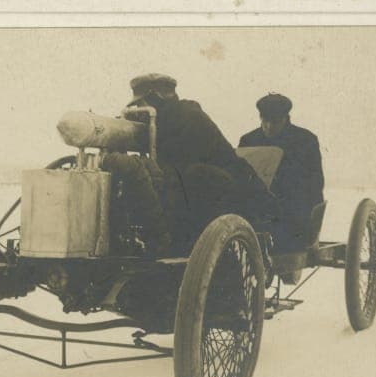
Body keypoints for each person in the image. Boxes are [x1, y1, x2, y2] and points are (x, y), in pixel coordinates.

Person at [126, 73, 279, 252]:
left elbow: (178, 169)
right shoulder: (167, 119)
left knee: (192, 176)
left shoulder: (188, 117)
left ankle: (182, 246)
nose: (139, 111)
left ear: (156, 99)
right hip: (211, 194)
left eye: (141, 105)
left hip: (228, 196)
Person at [238, 92, 325, 250]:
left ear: (286, 118)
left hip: (293, 210)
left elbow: (315, 184)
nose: (269, 127)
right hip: (259, 208)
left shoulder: (305, 140)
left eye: (275, 121)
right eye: (265, 121)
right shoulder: (249, 140)